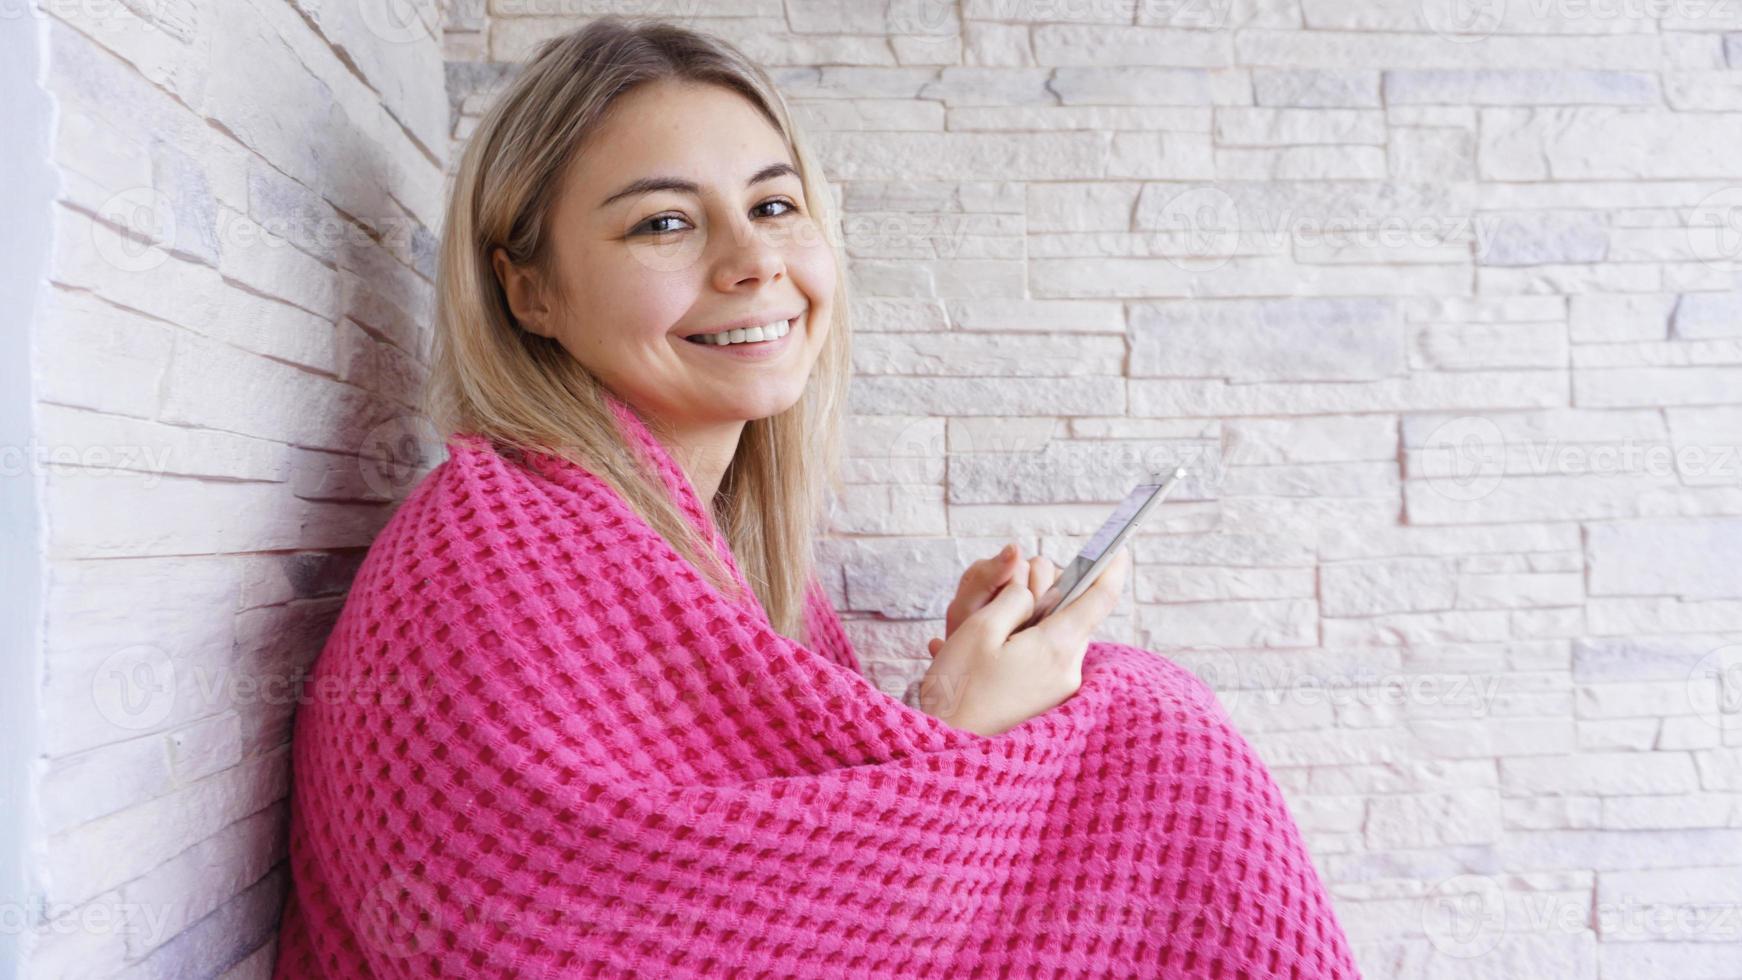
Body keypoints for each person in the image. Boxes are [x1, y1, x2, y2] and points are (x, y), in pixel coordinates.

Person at [271, 16, 1361, 978]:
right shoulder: (493, 553)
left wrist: (937, 708)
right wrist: (951, 735)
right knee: (1137, 732)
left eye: (774, 204)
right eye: (663, 222)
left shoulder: (703, 553)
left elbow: (746, 868)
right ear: (529, 288)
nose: (753, 262)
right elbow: (561, 935)